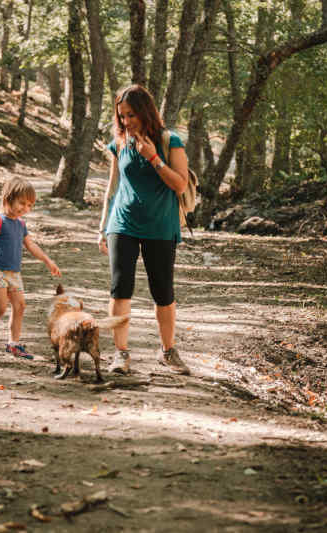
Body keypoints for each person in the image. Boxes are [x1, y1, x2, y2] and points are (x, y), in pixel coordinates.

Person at [97, 84, 191, 375]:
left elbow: (180, 184)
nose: (126, 122)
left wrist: (153, 158)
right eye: (122, 116)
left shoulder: (169, 141)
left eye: (132, 115)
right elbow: (111, 188)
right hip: (122, 225)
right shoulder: (119, 143)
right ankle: (120, 354)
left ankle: (167, 350)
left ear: (146, 112)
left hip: (161, 226)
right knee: (119, 289)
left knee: (162, 292)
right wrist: (102, 227)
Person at [0, 177, 61, 359]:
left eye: (29, 205)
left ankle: (14, 343)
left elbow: (31, 245)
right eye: (22, 203)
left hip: (13, 272)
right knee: (1, 307)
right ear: (8, 198)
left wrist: (47, 260)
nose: (25, 209)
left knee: (20, 306)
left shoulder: (20, 224)